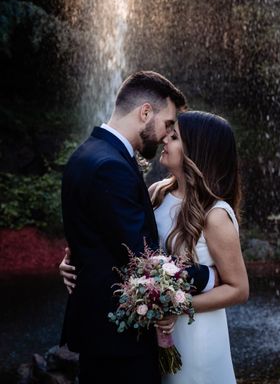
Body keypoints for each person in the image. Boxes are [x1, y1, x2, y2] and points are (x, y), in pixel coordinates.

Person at [61, 109, 249, 383]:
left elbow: (239, 289)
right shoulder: (157, 193)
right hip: (153, 333)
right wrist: (73, 260)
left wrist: (177, 307)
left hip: (196, 334)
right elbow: (128, 247)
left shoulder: (215, 215)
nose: (164, 140)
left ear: (196, 149)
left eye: (174, 137)